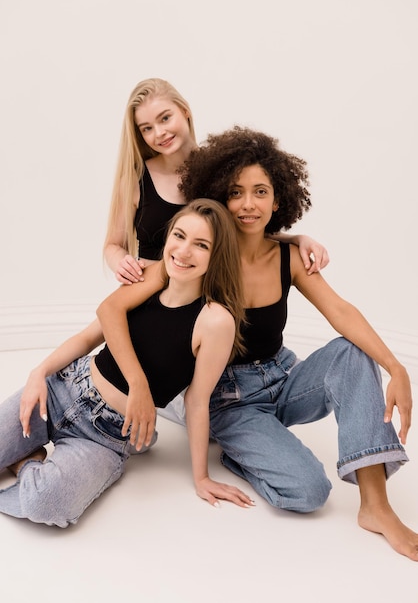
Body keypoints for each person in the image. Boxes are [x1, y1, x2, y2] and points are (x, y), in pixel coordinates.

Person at [98, 126, 417, 561]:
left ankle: (376, 507)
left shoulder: (288, 257)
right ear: (218, 198)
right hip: (230, 400)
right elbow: (121, 305)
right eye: (236, 192)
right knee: (308, 492)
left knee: (352, 350)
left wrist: (396, 368)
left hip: (285, 378)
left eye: (261, 192)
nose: (248, 204)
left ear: (278, 199)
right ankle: (242, 452)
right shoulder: (199, 260)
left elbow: (341, 312)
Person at [0, 199, 254, 528]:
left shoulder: (215, 320)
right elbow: (89, 336)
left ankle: (27, 463)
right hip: (64, 387)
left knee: (47, 503)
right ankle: (30, 458)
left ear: (218, 255)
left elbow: (196, 399)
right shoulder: (151, 277)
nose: (184, 251)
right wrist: (39, 372)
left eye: (201, 245)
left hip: (106, 435)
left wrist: (201, 477)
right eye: (179, 235)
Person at [103, 77, 329, 285]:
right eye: (147, 128)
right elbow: (113, 245)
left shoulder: (221, 170)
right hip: (144, 296)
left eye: (165, 118)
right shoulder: (135, 180)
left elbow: (247, 225)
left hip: (204, 297)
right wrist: (121, 263)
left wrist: (297, 239)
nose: (159, 132)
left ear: (184, 111)